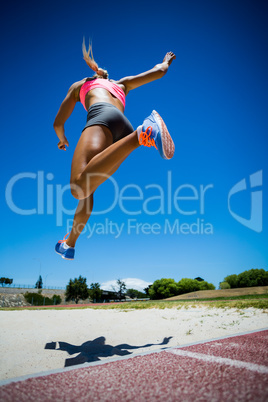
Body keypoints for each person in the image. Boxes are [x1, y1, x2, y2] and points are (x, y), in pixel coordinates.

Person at [54, 40, 176, 260]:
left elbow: (58, 123)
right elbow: (159, 71)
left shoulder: (80, 85)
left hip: (101, 118)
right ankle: (69, 244)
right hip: (121, 126)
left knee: (77, 188)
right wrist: (166, 61)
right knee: (87, 190)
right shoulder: (121, 85)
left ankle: (141, 134)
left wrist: (62, 139)